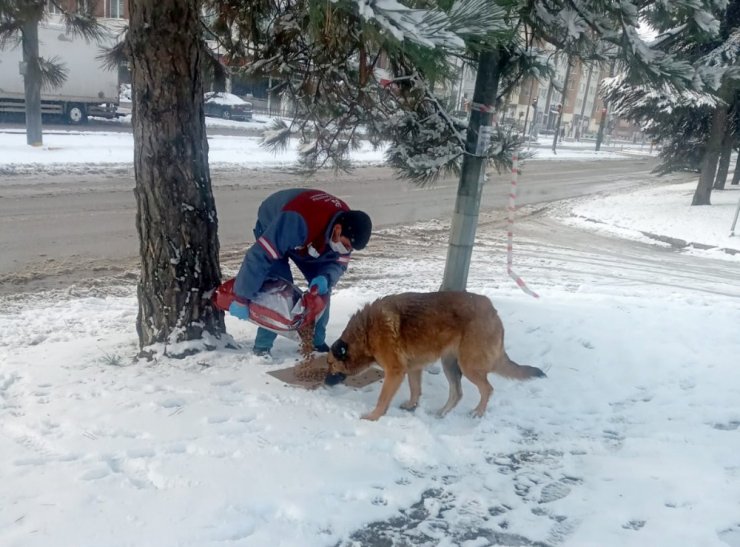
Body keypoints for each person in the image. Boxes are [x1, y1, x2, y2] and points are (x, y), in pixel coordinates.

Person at [229, 188, 372, 357]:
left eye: (349, 248)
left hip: (311, 239)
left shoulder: (350, 227)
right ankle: (262, 348)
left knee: (322, 291)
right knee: (280, 292)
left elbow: (338, 263)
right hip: (277, 223)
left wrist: (325, 278)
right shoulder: (297, 221)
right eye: (346, 245)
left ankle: (316, 343)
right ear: (337, 229)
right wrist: (241, 297)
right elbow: (259, 256)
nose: (346, 250)